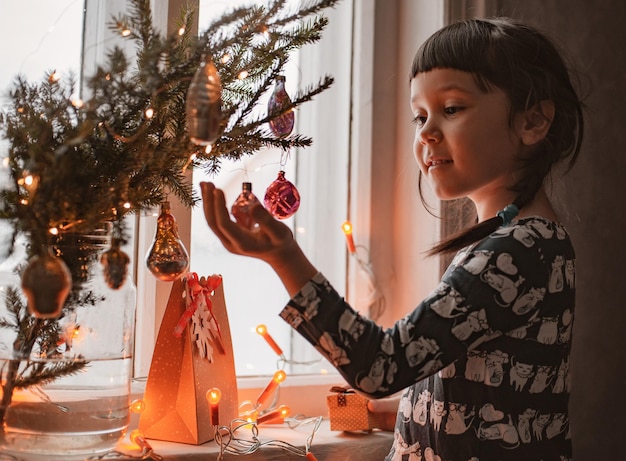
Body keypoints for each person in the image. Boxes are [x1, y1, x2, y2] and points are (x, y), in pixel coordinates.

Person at [200, 17, 584, 461]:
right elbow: (483, 391)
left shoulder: (514, 252)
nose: (426, 132)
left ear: (532, 121)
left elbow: (380, 366)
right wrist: (399, 411)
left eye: (452, 108)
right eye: (420, 116)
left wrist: (285, 257)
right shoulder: (530, 243)